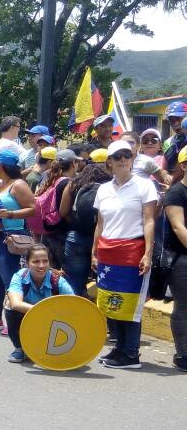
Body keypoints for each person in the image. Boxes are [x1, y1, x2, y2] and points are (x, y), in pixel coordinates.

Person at [92, 140, 158, 369]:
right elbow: (100, 224)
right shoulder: (103, 189)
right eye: (118, 156)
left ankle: (131, 354)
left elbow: (149, 220)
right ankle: (119, 348)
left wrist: (147, 253)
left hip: (132, 250)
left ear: (132, 158)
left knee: (130, 304)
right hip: (108, 252)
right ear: (109, 161)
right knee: (110, 302)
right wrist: (94, 251)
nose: (123, 160)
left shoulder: (144, 185)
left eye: (127, 155)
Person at [0, 149, 35, 329]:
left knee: (10, 280)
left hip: (10, 238)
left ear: (3, 166)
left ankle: (16, 320)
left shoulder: (18, 185)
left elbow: (33, 208)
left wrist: (11, 214)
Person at [4, 244, 75, 363]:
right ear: (27, 264)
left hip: (55, 321)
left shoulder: (58, 280)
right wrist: (43, 311)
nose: (41, 265)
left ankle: (57, 346)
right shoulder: (19, 277)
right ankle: (20, 348)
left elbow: (75, 305)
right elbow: (16, 304)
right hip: (29, 316)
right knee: (9, 305)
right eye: (36, 261)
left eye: (45, 261)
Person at [58, 163, 111, 297]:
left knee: (74, 282)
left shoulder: (73, 185)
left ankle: (75, 312)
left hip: (76, 237)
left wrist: (75, 222)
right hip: (102, 239)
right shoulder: (110, 188)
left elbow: (63, 212)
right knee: (105, 280)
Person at [163, 147, 187, 371]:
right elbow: (179, 228)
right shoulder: (177, 193)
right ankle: (183, 354)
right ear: (184, 165)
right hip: (181, 258)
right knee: (184, 305)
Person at [162, 101, 187, 171]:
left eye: (179, 118)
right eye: (172, 120)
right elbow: (164, 169)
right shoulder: (168, 142)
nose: (176, 123)